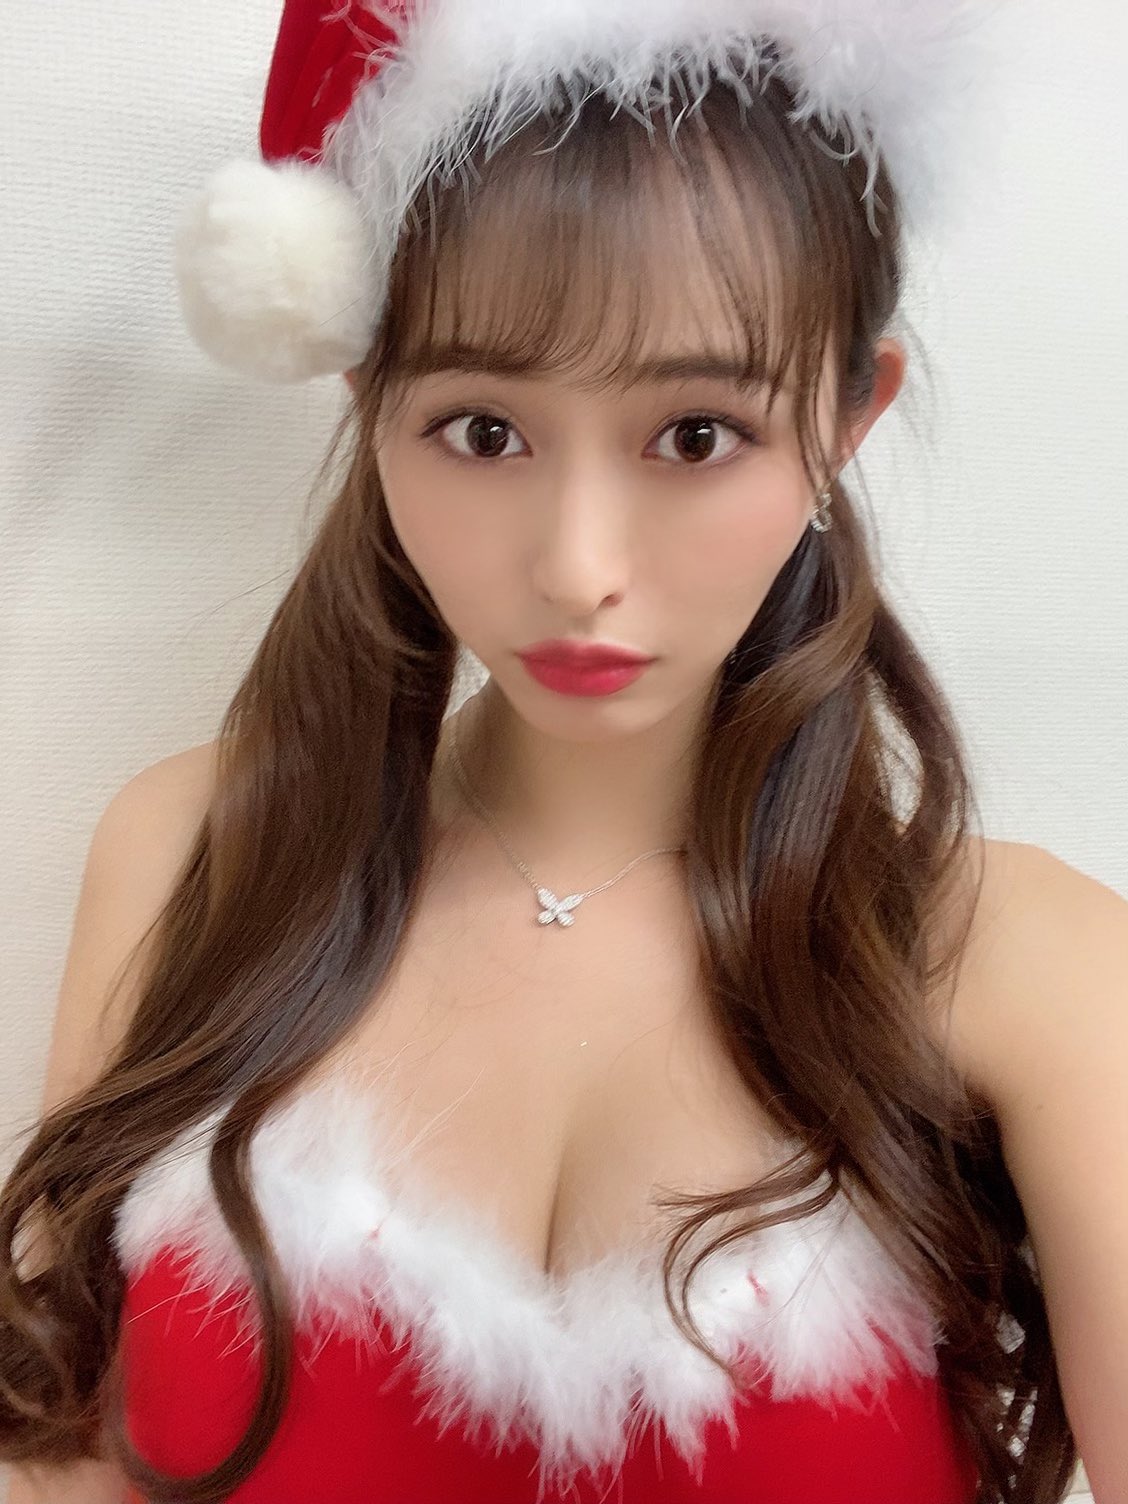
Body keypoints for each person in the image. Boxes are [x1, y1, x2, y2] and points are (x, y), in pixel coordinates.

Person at [2, 1, 1125, 1501]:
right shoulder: (197, 857)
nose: (579, 567)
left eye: (696, 435)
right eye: (482, 430)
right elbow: (62, 1467)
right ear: (367, 396)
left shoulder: (1028, 966)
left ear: (849, 416)